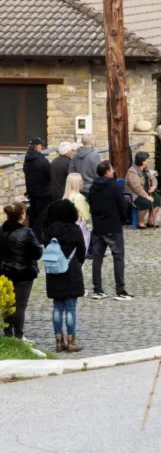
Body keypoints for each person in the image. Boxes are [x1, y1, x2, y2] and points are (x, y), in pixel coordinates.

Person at [42, 199, 86, 352]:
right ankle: (71, 340)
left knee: (57, 307)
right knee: (70, 307)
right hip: (71, 270)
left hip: (54, 271)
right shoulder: (75, 230)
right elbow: (82, 252)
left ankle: (58, 340)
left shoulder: (49, 231)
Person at [87, 161, 131, 300]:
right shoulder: (114, 186)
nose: (113, 171)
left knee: (97, 258)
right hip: (112, 226)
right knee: (118, 257)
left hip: (98, 226)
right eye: (111, 169)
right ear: (107, 171)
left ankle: (97, 289)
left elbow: (91, 204)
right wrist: (122, 220)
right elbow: (122, 205)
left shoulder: (93, 187)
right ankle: (120, 290)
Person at [0, 203, 42, 340]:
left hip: (5, 271)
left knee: (8, 302)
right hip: (23, 272)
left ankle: (7, 332)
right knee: (20, 305)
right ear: (21, 215)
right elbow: (37, 252)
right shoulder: (27, 232)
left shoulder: (1, 230)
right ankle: (19, 334)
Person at [23, 137, 52, 236]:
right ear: (37, 146)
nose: (41, 147)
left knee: (33, 213)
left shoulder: (27, 159)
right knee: (41, 215)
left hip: (31, 191)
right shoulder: (41, 160)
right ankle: (37, 237)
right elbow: (49, 173)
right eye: (40, 145)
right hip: (43, 192)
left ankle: (30, 234)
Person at [126, 152, 161, 229]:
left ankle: (150, 221)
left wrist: (153, 186)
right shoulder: (133, 171)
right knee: (146, 203)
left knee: (157, 200)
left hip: (146, 191)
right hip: (135, 193)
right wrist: (146, 196)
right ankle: (140, 222)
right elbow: (136, 187)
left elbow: (153, 179)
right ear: (142, 161)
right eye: (147, 159)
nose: (149, 160)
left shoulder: (145, 169)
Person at [63, 173, 90, 249]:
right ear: (76, 183)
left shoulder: (66, 196)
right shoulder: (79, 197)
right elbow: (86, 216)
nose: (83, 182)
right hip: (81, 228)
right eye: (81, 181)